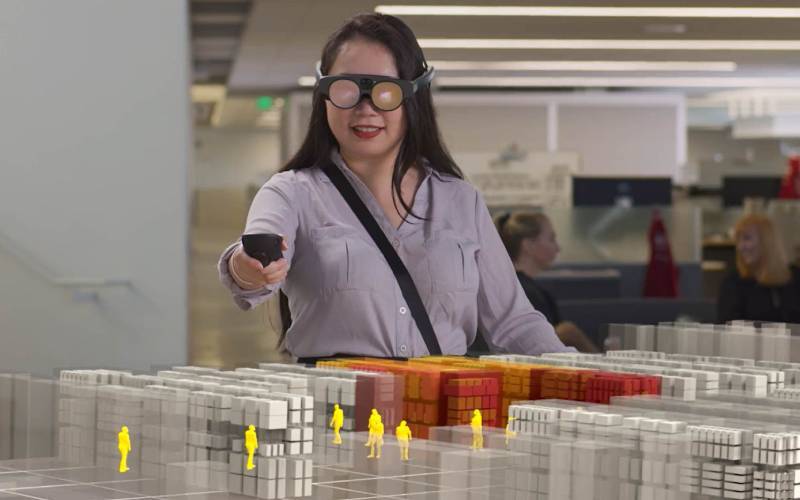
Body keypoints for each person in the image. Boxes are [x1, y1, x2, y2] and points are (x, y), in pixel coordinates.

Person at [218, 13, 572, 360]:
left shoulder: (461, 200)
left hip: (441, 397)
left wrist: (577, 373)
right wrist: (249, 267)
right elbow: (253, 257)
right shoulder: (291, 193)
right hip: (337, 397)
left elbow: (514, 323)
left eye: (385, 91)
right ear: (324, 94)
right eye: (346, 88)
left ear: (414, 95)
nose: (365, 108)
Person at [495, 212, 599, 352]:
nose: (558, 248)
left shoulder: (522, 288)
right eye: (551, 239)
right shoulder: (525, 293)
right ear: (528, 245)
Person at [717, 214, 800, 323]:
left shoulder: (795, 277)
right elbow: (727, 325)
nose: (740, 247)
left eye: (747, 238)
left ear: (767, 241)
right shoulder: (733, 282)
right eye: (738, 240)